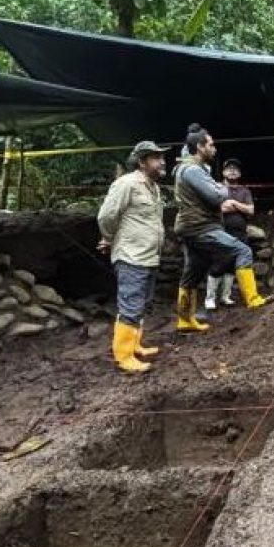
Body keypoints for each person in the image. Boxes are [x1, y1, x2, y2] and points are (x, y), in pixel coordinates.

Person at [173, 130, 266, 333]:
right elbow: (217, 197)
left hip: (192, 226)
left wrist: (217, 188)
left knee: (193, 272)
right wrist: (223, 190)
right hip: (200, 226)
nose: (214, 148)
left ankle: (185, 320)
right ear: (199, 146)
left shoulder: (192, 169)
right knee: (243, 251)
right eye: (211, 145)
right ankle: (253, 300)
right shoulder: (192, 170)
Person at [97, 141, 169, 373]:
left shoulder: (154, 188)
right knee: (130, 304)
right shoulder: (126, 184)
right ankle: (124, 356)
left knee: (141, 304)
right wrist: (108, 238)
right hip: (131, 256)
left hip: (149, 256)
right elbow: (106, 216)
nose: (162, 161)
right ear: (141, 162)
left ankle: (135, 345)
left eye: (162, 157)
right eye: (156, 158)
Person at [205, 158, 254, 310]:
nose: (232, 170)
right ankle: (210, 298)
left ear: (239, 173)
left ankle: (225, 296)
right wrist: (241, 207)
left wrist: (234, 204)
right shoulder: (217, 187)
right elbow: (220, 208)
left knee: (232, 266)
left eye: (235, 169)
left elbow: (251, 210)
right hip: (222, 231)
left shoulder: (245, 191)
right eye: (229, 168)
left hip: (240, 233)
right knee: (219, 263)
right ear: (223, 172)